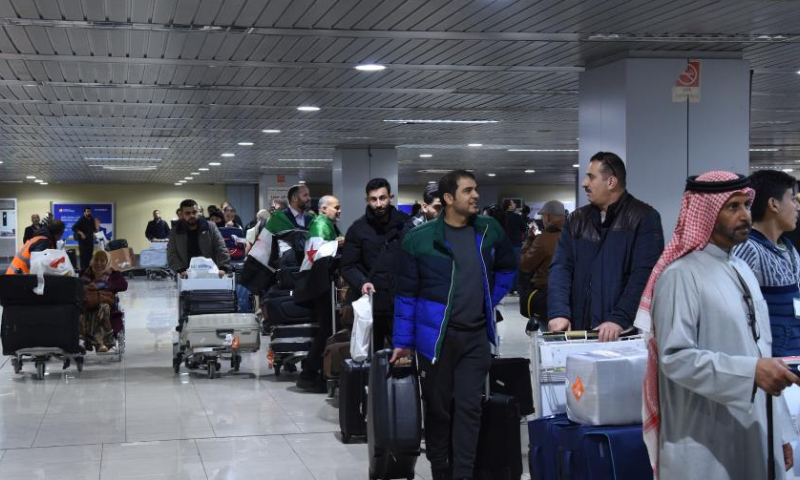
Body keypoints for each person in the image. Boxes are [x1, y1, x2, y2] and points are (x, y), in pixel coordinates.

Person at [635, 171, 798, 480]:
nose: (745, 215)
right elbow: (675, 359)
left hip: (754, 429)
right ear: (706, 211)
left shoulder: (742, 269)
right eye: (732, 207)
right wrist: (751, 373)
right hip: (702, 438)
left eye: (747, 205)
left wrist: (781, 432)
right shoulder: (680, 276)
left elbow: (759, 351)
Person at [391, 170, 517, 480]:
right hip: (436, 341)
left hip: (475, 337)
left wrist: (490, 297)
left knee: (469, 408)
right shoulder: (419, 240)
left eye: (476, 190)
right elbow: (406, 297)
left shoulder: (489, 230)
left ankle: (462, 474)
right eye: (468, 191)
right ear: (448, 199)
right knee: (438, 408)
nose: (475, 196)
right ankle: (441, 471)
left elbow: (508, 266)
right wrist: (403, 343)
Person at [548, 152, 664, 341]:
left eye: (591, 177)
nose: (584, 183)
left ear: (611, 182)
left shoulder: (645, 218)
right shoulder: (576, 220)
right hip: (579, 331)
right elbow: (561, 268)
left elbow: (644, 275)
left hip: (623, 334)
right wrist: (558, 311)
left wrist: (619, 319)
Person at [733, 170, 800, 357]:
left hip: (792, 357)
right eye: (792, 199)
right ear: (773, 204)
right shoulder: (748, 250)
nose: (797, 207)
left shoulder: (789, 248)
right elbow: (738, 312)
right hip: (769, 363)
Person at [341, 178, 408, 349]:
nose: (379, 204)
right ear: (367, 200)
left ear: (390, 197)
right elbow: (347, 266)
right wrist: (362, 282)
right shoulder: (357, 229)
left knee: (404, 357)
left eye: (382, 198)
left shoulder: (405, 225)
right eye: (373, 199)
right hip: (372, 305)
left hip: (401, 303)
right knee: (372, 358)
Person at [297, 195, 343, 393]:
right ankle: (309, 373)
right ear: (324, 209)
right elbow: (315, 253)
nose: (339, 210)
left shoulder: (326, 224)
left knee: (327, 328)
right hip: (319, 283)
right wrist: (338, 244)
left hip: (323, 282)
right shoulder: (319, 224)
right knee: (326, 328)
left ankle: (318, 371)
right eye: (336, 207)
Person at [519, 200, 565, 331]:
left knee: (550, 339)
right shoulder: (574, 234)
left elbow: (525, 264)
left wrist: (530, 239)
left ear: (548, 217)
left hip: (548, 296)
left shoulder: (544, 239)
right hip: (572, 296)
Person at [167, 199, 230, 277]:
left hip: (211, 273)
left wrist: (223, 268)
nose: (192, 215)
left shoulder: (210, 227)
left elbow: (221, 248)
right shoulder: (175, 232)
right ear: (182, 215)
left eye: (194, 212)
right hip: (185, 274)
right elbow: (172, 254)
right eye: (187, 213)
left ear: (198, 212)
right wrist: (180, 270)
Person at [81, 250, 128, 353]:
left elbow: (124, 285)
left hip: (107, 305)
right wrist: (87, 287)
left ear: (107, 262)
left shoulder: (113, 274)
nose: (99, 263)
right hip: (90, 304)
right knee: (89, 312)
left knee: (103, 308)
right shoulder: (87, 273)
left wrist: (104, 286)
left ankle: (100, 341)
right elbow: (78, 287)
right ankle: (103, 341)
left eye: (102, 260)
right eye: (96, 260)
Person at [264, 184, 314, 268]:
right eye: (305, 195)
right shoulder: (278, 218)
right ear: (294, 198)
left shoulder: (312, 219)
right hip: (286, 271)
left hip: (309, 269)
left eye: (309, 195)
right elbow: (264, 245)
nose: (309, 198)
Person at [72, 206, 96, 273]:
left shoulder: (91, 219)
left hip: (90, 241)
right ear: (84, 212)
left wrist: (94, 233)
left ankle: (89, 271)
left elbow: (93, 229)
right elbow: (73, 228)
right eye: (87, 211)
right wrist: (81, 233)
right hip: (83, 243)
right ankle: (83, 272)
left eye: (90, 211)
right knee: (83, 257)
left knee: (90, 256)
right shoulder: (81, 219)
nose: (89, 213)